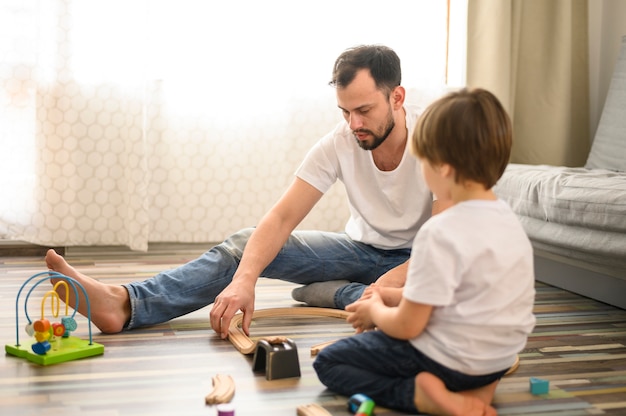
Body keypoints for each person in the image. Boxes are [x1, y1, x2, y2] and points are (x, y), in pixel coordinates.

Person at [45, 44, 439, 338]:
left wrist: (390, 281)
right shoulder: (339, 141)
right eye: (344, 111)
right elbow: (281, 218)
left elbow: (443, 242)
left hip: (422, 261)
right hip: (360, 250)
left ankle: (344, 294)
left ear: (397, 97)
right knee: (245, 246)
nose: (354, 123)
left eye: (364, 110)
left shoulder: (438, 138)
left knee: (439, 292)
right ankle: (126, 303)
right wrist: (244, 281)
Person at [313, 88, 536, 416]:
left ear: (443, 167)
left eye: (423, 162)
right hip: (496, 362)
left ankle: (421, 396)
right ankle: (475, 393)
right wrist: (392, 296)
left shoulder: (440, 231)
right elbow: (463, 297)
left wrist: (375, 312)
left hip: (450, 360)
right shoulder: (509, 222)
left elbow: (407, 328)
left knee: (330, 362)